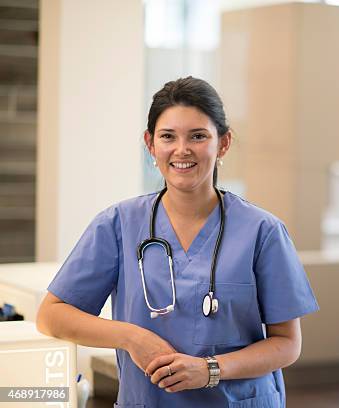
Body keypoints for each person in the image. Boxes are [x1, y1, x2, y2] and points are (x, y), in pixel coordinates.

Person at [36, 76, 319, 407]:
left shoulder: (263, 231)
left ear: (223, 143)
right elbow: (51, 315)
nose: (182, 150)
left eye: (198, 136)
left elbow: (287, 344)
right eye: (168, 136)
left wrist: (211, 370)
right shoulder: (118, 225)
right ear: (151, 144)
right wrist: (132, 337)